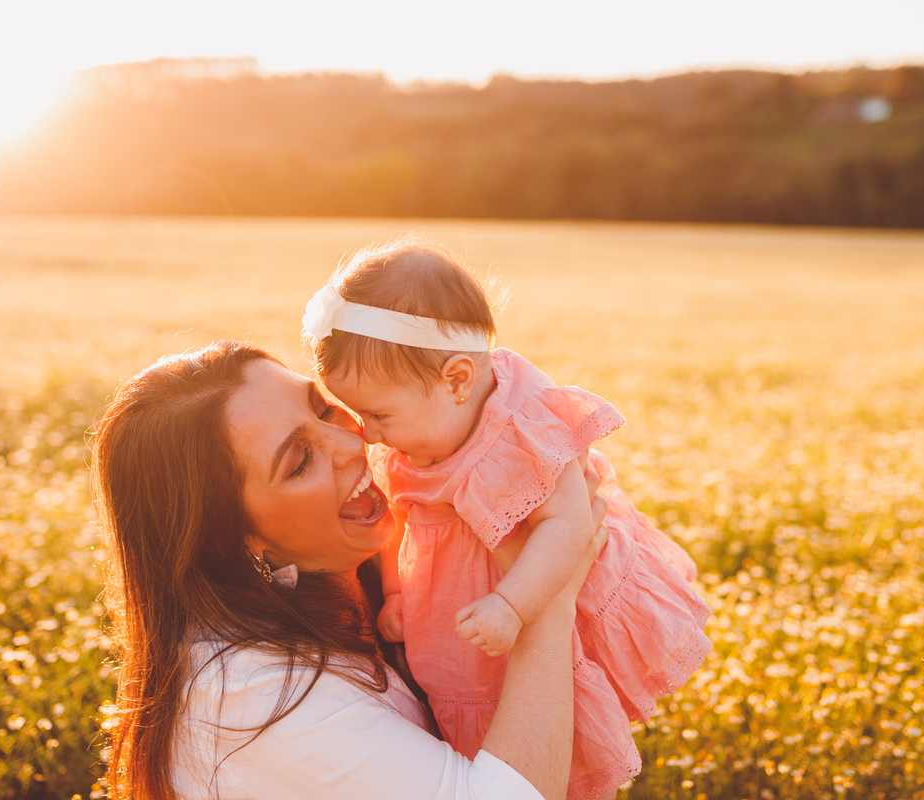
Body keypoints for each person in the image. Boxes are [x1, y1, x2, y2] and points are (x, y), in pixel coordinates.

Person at [92, 340, 609, 800]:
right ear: (229, 542)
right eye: (299, 461)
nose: (352, 443)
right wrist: (546, 600)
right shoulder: (247, 702)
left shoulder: (372, 567)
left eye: (325, 409)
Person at [303, 239, 713, 800]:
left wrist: (513, 606)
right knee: (480, 712)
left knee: (550, 710)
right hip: (462, 612)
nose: (368, 434)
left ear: (457, 380)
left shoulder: (521, 430)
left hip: (535, 593)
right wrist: (396, 594)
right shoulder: (415, 441)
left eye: (379, 414)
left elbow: (570, 528)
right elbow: (404, 520)